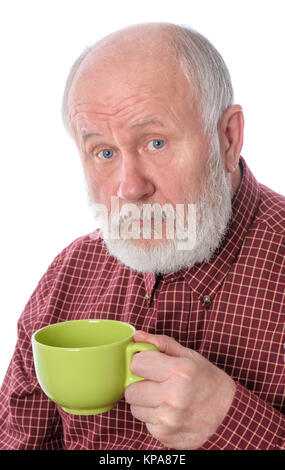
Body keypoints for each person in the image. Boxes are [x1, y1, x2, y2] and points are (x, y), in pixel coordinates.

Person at [0, 22, 284, 451]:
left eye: (155, 142)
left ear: (228, 138)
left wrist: (236, 428)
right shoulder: (68, 275)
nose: (130, 189)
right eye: (105, 153)